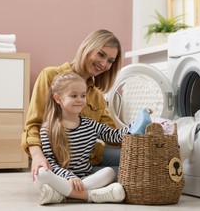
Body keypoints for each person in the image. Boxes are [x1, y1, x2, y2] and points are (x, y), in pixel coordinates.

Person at [21, 29, 123, 180]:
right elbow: (33, 124)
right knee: (127, 173)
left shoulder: (96, 95)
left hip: (90, 157)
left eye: (110, 61)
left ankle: (86, 185)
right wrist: (37, 156)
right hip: (58, 162)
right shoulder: (50, 76)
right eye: (101, 54)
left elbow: (112, 135)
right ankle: (84, 185)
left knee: (138, 164)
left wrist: (143, 131)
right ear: (87, 48)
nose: (104, 64)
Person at [35, 72, 129, 204]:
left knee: (109, 172)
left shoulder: (90, 124)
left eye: (83, 95)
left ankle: (60, 194)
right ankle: (91, 196)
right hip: (61, 177)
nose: (80, 99)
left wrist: (136, 125)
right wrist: (70, 177)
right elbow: (50, 161)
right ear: (58, 98)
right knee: (41, 173)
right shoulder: (48, 128)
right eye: (73, 95)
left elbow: (114, 136)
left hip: (86, 178)